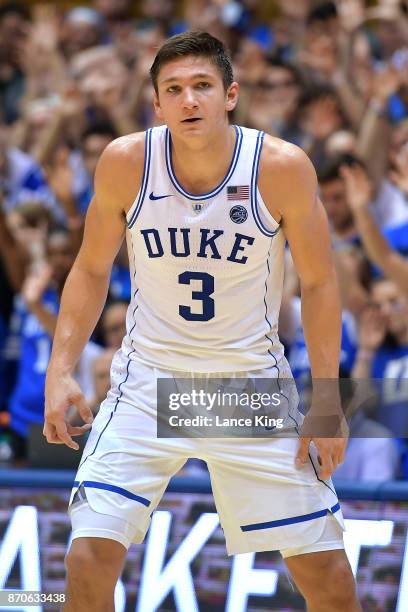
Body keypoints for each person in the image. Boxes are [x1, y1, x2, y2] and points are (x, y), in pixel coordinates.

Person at [44, 32, 359, 611]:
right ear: (157, 103)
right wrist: (61, 369)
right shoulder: (125, 162)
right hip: (149, 383)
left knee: (330, 580)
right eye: (174, 90)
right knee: (87, 559)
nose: (189, 100)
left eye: (202, 87)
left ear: (230, 94)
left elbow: (319, 283)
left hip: (246, 389)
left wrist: (326, 399)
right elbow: (89, 269)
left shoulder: (281, 167)